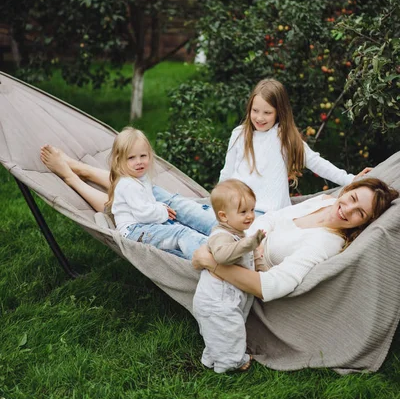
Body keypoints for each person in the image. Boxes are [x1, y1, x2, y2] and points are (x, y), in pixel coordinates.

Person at [192, 178, 399, 303]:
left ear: (363, 223)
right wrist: (256, 241)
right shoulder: (326, 202)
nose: (347, 209)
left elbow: (272, 286)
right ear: (347, 190)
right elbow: (271, 217)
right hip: (240, 234)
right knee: (184, 208)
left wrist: (212, 263)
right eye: (352, 199)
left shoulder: (326, 243)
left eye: (359, 213)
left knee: (170, 229)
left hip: (235, 260)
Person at [40, 128, 216, 259]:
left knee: (147, 202)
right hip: (135, 228)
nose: (139, 162)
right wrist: (161, 210)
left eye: (143, 156)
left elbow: (142, 205)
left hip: (139, 219)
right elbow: (143, 212)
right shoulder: (130, 185)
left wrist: (159, 209)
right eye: (131, 158)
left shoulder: (137, 180)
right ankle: (73, 177)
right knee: (172, 219)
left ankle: (79, 173)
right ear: (119, 161)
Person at [219, 78, 372, 215]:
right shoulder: (239, 134)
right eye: (255, 111)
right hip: (233, 207)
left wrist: (351, 180)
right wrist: (217, 200)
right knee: (194, 212)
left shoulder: (284, 138)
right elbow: (227, 173)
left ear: (279, 113)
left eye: (267, 112)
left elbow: (317, 163)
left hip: (264, 213)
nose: (259, 117)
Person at [192, 179, 265, 373]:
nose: (250, 216)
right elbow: (222, 256)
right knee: (229, 332)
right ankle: (231, 364)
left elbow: (255, 260)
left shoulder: (240, 234)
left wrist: (265, 273)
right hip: (217, 301)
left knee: (220, 334)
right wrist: (250, 244)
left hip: (226, 300)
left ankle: (211, 357)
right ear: (224, 216)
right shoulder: (221, 236)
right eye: (243, 212)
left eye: (252, 209)